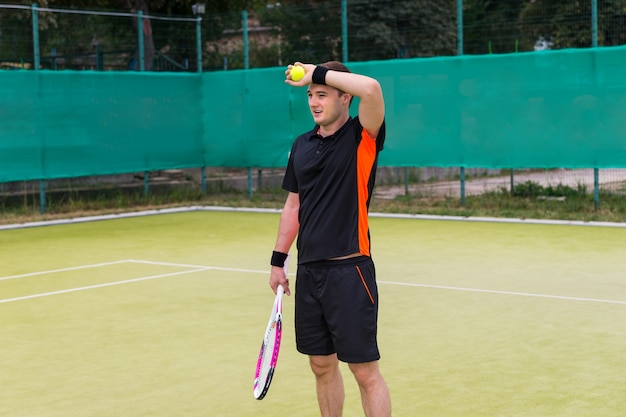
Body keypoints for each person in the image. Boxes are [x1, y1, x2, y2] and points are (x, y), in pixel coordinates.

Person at [269, 61, 391, 417]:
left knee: (364, 372)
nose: (314, 101)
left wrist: (314, 71)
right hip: (309, 273)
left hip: (350, 271)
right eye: (310, 95)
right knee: (321, 367)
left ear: (345, 98)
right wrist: (278, 261)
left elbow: (371, 88)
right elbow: (293, 205)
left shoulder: (362, 136)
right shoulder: (301, 145)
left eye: (321, 94)